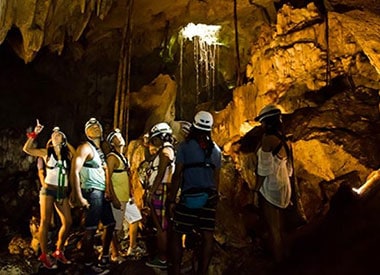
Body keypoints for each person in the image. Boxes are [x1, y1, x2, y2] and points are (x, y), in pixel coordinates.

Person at [168, 111, 222, 275]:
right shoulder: (216, 151)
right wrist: (215, 197)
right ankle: (203, 272)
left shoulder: (184, 147)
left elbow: (177, 175)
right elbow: (216, 179)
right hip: (208, 199)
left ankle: (176, 270)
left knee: (177, 234)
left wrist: (171, 199)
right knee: (207, 236)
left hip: (188, 198)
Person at [23, 120, 75, 269]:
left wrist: (65, 143)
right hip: (48, 189)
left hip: (62, 191)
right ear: (50, 139)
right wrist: (35, 134)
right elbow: (27, 149)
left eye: (59, 135)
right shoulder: (46, 153)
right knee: (45, 221)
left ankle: (59, 250)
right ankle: (44, 254)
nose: (56, 135)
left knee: (68, 222)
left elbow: (77, 154)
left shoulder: (68, 155)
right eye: (54, 134)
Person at [70, 118, 115, 274]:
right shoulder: (85, 147)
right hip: (91, 191)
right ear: (86, 132)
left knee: (110, 224)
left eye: (97, 126)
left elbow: (104, 171)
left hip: (101, 192)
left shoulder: (99, 150)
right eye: (91, 126)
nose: (95, 127)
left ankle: (105, 255)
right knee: (91, 228)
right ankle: (89, 264)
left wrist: (108, 190)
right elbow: (74, 170)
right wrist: (78, 196)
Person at [253, 104, 293, 263]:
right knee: (282, 228)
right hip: (284, 185)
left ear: (266, 122)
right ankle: (288, 258)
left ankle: (279, 264)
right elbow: (289, 168)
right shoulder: (284, 138)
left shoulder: (267, 139)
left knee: (273, 229)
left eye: (262, 123)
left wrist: (256, 190)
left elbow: (264, 170)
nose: (261, 126)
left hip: (270, 188)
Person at [106, 128, 144, 262]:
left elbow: (127, 175)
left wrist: (131, 193)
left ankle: (132, 247)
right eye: (116, 136)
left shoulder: (123, 157)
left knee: (135, 219)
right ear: (112, 142)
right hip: (118, 196)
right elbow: (108, 178)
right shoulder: (112, 157)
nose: (120, 137)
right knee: (115, 228)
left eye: (120, 135)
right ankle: (115, 254)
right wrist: (112, 196)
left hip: (126, 196)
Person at [145, 122, 176, 269]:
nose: (153, 142)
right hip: (161, 190)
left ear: (162, 137)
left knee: (161, 226)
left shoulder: (165, 152)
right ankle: (164, 256)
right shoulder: (166, 150)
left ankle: (162, 258)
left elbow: (161, 173)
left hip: (160, 191)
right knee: (161, 225)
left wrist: (151, 192)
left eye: (155, 139)